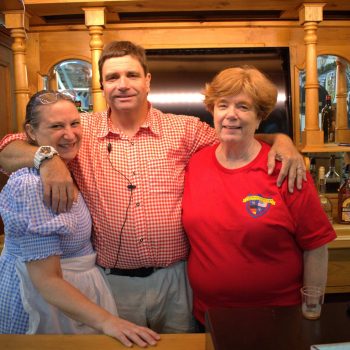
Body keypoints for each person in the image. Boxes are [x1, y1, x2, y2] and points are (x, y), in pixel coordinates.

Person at [0, 41, 306, 333]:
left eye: (132, 75)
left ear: (147, 80)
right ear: (102, 86)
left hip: (176, 280)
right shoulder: (80, 129)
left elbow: (239, 136)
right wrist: (46, 158)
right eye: (112, 77)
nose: (122, 84)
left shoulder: (184, 129)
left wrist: (282, 140)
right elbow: (7, 150)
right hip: (112, 284)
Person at [0, 90, 159, 348]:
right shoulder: (29, 186)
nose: (70, 134)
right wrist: (109, 321)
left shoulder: (66, 164)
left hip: (77, 298)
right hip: (49, 305)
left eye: (74, 123)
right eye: (56, 126)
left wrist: (50, 158)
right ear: (30, 131)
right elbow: (47, 281)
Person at [181, 66, 337, 327]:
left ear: (259, 116)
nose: (231, 115)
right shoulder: (195, 164)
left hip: (278, 318)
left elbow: (316, 246)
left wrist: (312, 309)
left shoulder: (286, 168)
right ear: (212, 110)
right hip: (209, 317)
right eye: (223, 105)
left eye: (243, 107)